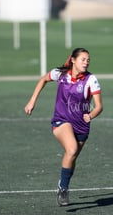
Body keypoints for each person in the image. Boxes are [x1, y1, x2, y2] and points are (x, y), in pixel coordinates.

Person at [24, 47, 103, 206]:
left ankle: (63, 184)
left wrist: (91, 115)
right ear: (73, 60)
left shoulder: (91, 79)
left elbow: (99, 106)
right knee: (72, 149)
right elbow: (43, 79)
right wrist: (32, 101)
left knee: (72, 157)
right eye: (83, 59)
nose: (86, 62)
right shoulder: (60, 74)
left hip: (82, 125)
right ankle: (64, 189)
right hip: (61, 120)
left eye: (88, 60)